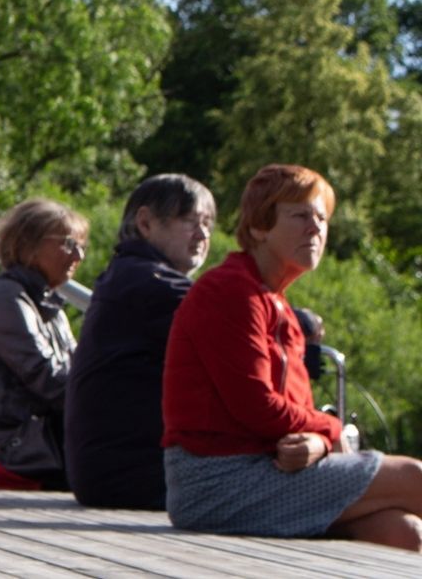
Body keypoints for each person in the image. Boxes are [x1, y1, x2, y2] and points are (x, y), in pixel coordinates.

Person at [163, 164, 422, 552]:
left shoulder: (278, 305)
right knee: (414, 477)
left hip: (270, 470)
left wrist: (318, 441)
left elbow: (294, 413)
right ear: (259, 228)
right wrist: (332, 429)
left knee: (403, 533)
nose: (315, 228)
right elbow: (256, 406)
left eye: (322, 218)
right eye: (300, 216)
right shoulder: (230, 291)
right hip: (217, 481)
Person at [64, 174, 214, 510]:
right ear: (145, 223)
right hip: (132, 476)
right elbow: (236, 319)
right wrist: (297, 322)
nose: (203, 235)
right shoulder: (148, 284)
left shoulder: (128, 275)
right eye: (190, 221)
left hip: (112, 472)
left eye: (207, 224)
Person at [0, 198, 87, 490]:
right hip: (4, 453)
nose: (79, 255)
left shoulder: (48, 306)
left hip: (34, 446)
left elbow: (73, 376)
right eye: (68, 244)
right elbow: (49, 379)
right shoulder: (4, 298)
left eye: (81, 246)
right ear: (28, 243)